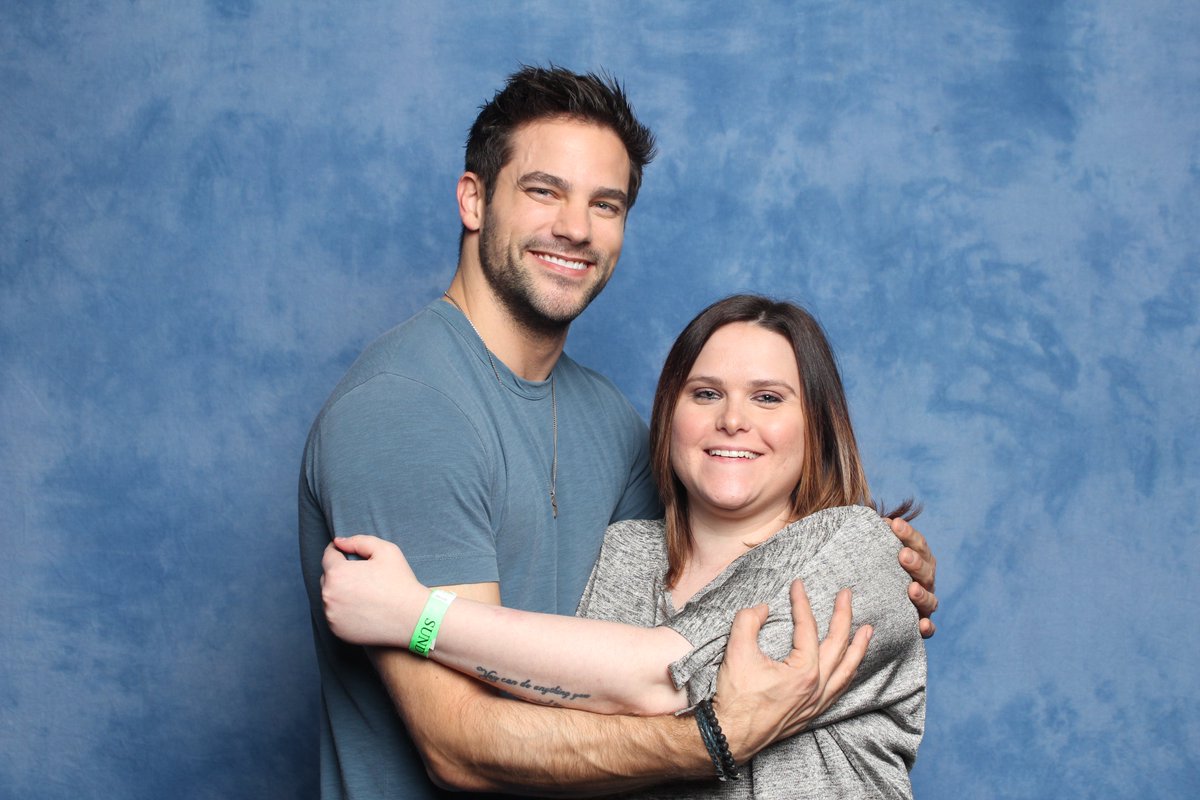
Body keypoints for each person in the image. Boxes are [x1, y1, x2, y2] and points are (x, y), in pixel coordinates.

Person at [297, 65, 939, 798]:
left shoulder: (613, 426)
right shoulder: (405, 408)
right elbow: (461, 747)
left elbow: (693, 604)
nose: (575, 227)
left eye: (605, 203)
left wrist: (885, 562)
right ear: (474, 200)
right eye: (544, 190)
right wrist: (715, 736)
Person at [324, 294, 925, 798]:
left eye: (768, 397)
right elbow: (566, 729)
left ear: (817, 424)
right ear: (669, 414)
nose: (733, 420)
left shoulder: (854, 548)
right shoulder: (623, 553)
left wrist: (414, 616)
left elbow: (661, 678)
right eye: (705, 393)